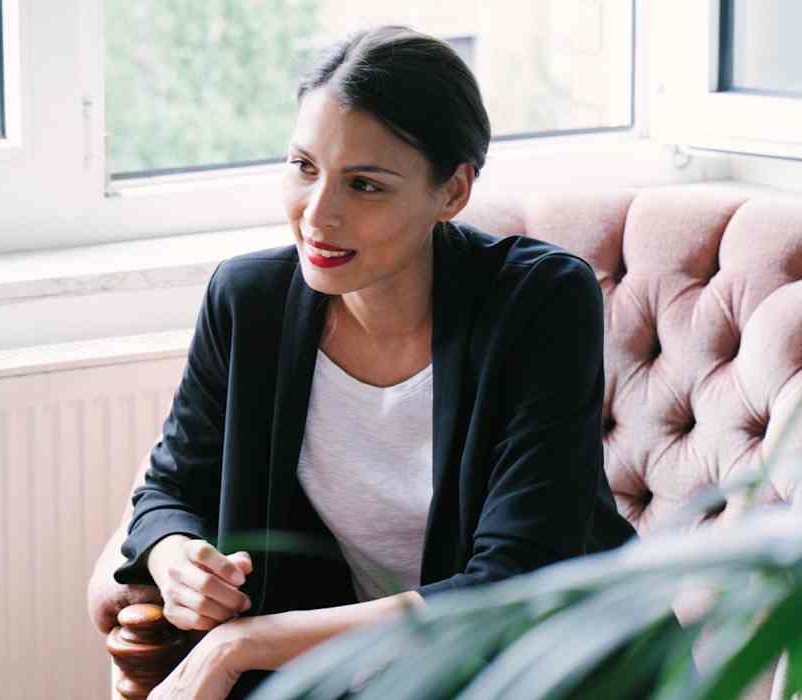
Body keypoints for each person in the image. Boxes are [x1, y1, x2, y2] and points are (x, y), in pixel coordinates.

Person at [87, 26, 637, 699]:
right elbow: (168, 489)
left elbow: (513, 581)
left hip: (549, 671)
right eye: (303, 167)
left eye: (366, 186)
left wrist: (246, 642)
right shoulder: (248, 301)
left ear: (453, 192)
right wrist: (177, 561)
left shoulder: (541, 302)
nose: (318, 215)